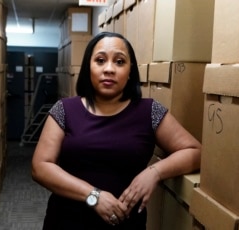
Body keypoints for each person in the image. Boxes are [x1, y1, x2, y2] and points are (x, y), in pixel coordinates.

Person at [31, 31, 201, 229]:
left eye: (119, 62)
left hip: (125, 224)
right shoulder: (65, 109)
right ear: (88, 68)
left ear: (130, 72)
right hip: (66, 222)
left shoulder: (149, 111)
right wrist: (93, 195)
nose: (109, 69)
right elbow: (40, 167)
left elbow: (196, 152)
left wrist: (154, 172)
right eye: (100, 60)